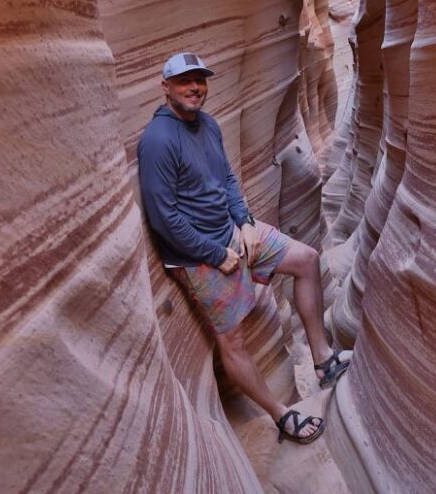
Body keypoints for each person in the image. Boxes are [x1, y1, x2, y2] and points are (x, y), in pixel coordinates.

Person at [137, 51, 351, 444]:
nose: (194, 88)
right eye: (185, 81)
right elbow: (163, 217)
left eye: (200, 80)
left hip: (233, 234)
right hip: (198, 257)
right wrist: (217, 255)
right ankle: (281, 414)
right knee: (231, 341)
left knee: (306, 259)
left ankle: (323, 359)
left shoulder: (208, 124)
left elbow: (228, 180)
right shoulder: (158, 140)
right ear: (165, 86)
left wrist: (247, 222)